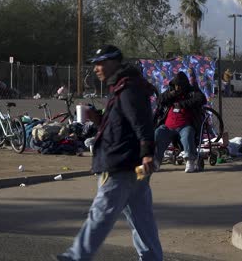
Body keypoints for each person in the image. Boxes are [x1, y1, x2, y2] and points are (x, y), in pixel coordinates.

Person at [56, 45, 163, 261]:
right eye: (95, 63)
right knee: (142, 220)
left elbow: (141, 123)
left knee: (101, 214)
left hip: (120, 164)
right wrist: (100, 119)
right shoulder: (126, 87)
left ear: (115, 62)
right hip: (133, 166)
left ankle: (76, 257)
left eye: (101, 63)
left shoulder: (128, 88)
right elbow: (126, 122)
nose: (96, 68)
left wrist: (147, 153)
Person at [153, 71, 207, 173]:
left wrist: (183, 104)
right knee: (158, 133)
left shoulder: (192, 91)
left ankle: (190, 160)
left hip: (185, 125)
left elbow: (201, 99)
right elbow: (159, 100)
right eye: (176, 86)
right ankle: (156, 161)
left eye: (179, 86)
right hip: (168, 126)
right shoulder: (171, 91)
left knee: (187, 134)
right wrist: (170, 94)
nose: (177, 88)